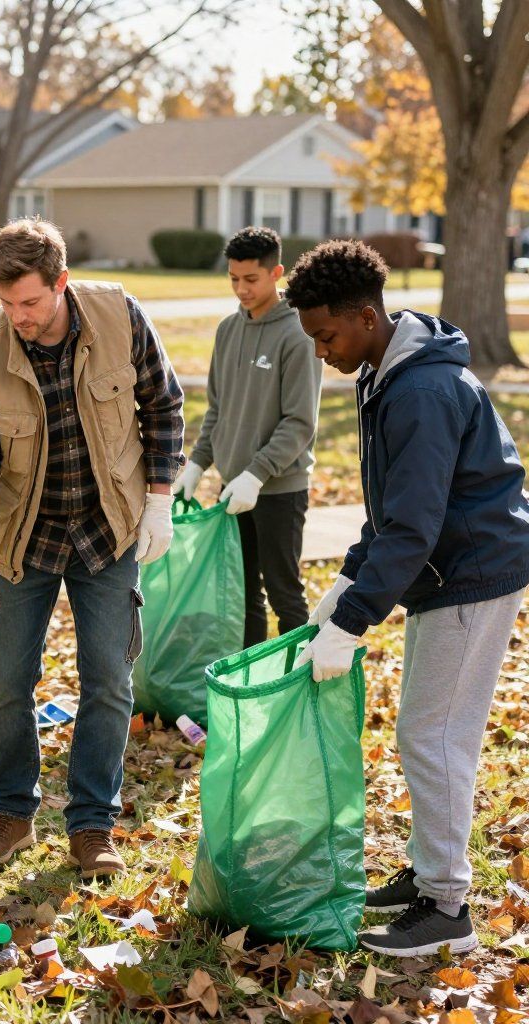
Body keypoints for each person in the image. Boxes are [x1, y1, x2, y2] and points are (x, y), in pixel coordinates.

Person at [286, 239, 529, 957]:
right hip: (447, 571)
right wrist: (349, 577)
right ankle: (431, 878)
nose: (322, 353)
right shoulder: (388, 371)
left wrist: (353, 621)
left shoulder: (419, 391)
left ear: (365, 317)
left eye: (327, 336)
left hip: (473, 573)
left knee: (435, 736)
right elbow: (393, 511)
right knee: (426, 732)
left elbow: (417, 527)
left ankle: (446, 909)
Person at [0, 219, 185, 878]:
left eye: (29, 301)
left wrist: (160, 495)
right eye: (5, 302)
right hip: (24, 537)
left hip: (107, 529)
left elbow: (164, 407)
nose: (17, 316)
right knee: (3, 684)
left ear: (61, 283)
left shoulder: (118, 316)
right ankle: (11, 813)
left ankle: (91, 824)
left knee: (109, 680)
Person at [175, 226, 322, 647]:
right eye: (234, 279)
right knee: (243, 596)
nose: (241, 288)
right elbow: (219, 409)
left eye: (251, 279)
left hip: (278, 489)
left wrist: (256, 474)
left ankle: (299, 691)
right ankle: (251, 684)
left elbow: (299, 422)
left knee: (284, 593)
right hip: (232, 489)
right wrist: (199, 463)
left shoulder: (298, 334)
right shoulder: (227, 330)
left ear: (276, 272)